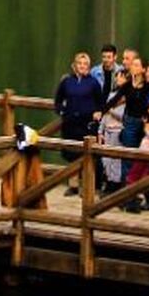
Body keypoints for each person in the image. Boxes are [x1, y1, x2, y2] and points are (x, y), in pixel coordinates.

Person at [53, 51, 103, 193]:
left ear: (89, 66)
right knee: (71, 154)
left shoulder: (93, 83)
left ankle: (87, 186)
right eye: (80, 63)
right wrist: (61, 111)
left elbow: (100, 103)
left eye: (85, 64)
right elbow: (58, 100)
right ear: (75, 65)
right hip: (70, 122)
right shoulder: (67, 81)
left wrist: (97, 113)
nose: (82, 66)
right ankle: (73, 185)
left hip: (85, 124)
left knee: (86, 154)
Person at [97, 83, 128, 193]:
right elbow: (104, 115)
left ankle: (114, 185)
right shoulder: (111, 95)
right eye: (118, 76)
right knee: (106, 160)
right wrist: (100, 131)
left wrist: (111, 111)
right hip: (108, 131)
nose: (118, 78)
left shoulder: (128, 97)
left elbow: (124, 117)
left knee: (116, 161)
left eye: (121, 76)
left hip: (118, 131)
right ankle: (108, 183)